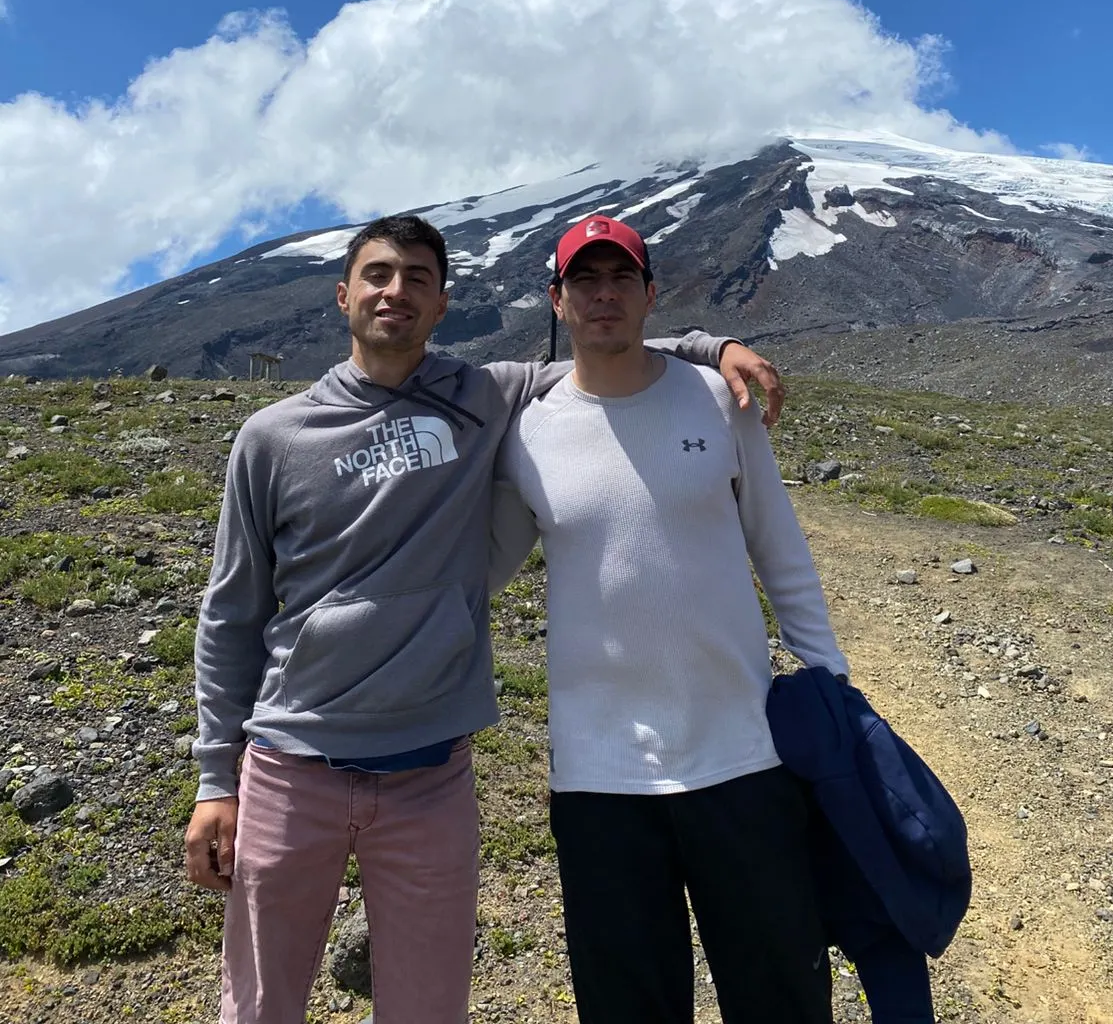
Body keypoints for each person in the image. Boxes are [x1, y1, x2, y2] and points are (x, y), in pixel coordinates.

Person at [184, 212, 781, 1024]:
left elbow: (606, 343)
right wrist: (215, 780)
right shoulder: (272, 437)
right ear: (343, 295)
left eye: (417, 279)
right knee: (259, 1005)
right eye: (378, 275)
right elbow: (231, 615)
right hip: (292, 764)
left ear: (442, 304)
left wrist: (714, 348)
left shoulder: (484, 394)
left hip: (430, 775)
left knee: (429, 1008)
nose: (395, 292)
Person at [491, 213, 849, 1024]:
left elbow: (780, 550)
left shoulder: (719, 400)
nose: (604, 295)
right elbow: (481, 572)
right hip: (599, 779)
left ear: (651, 294)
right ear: (556, 300)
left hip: (743, 757)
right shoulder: (529, 432)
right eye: (585, 280)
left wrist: (833, 687)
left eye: (621, 278)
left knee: (783, 1000)